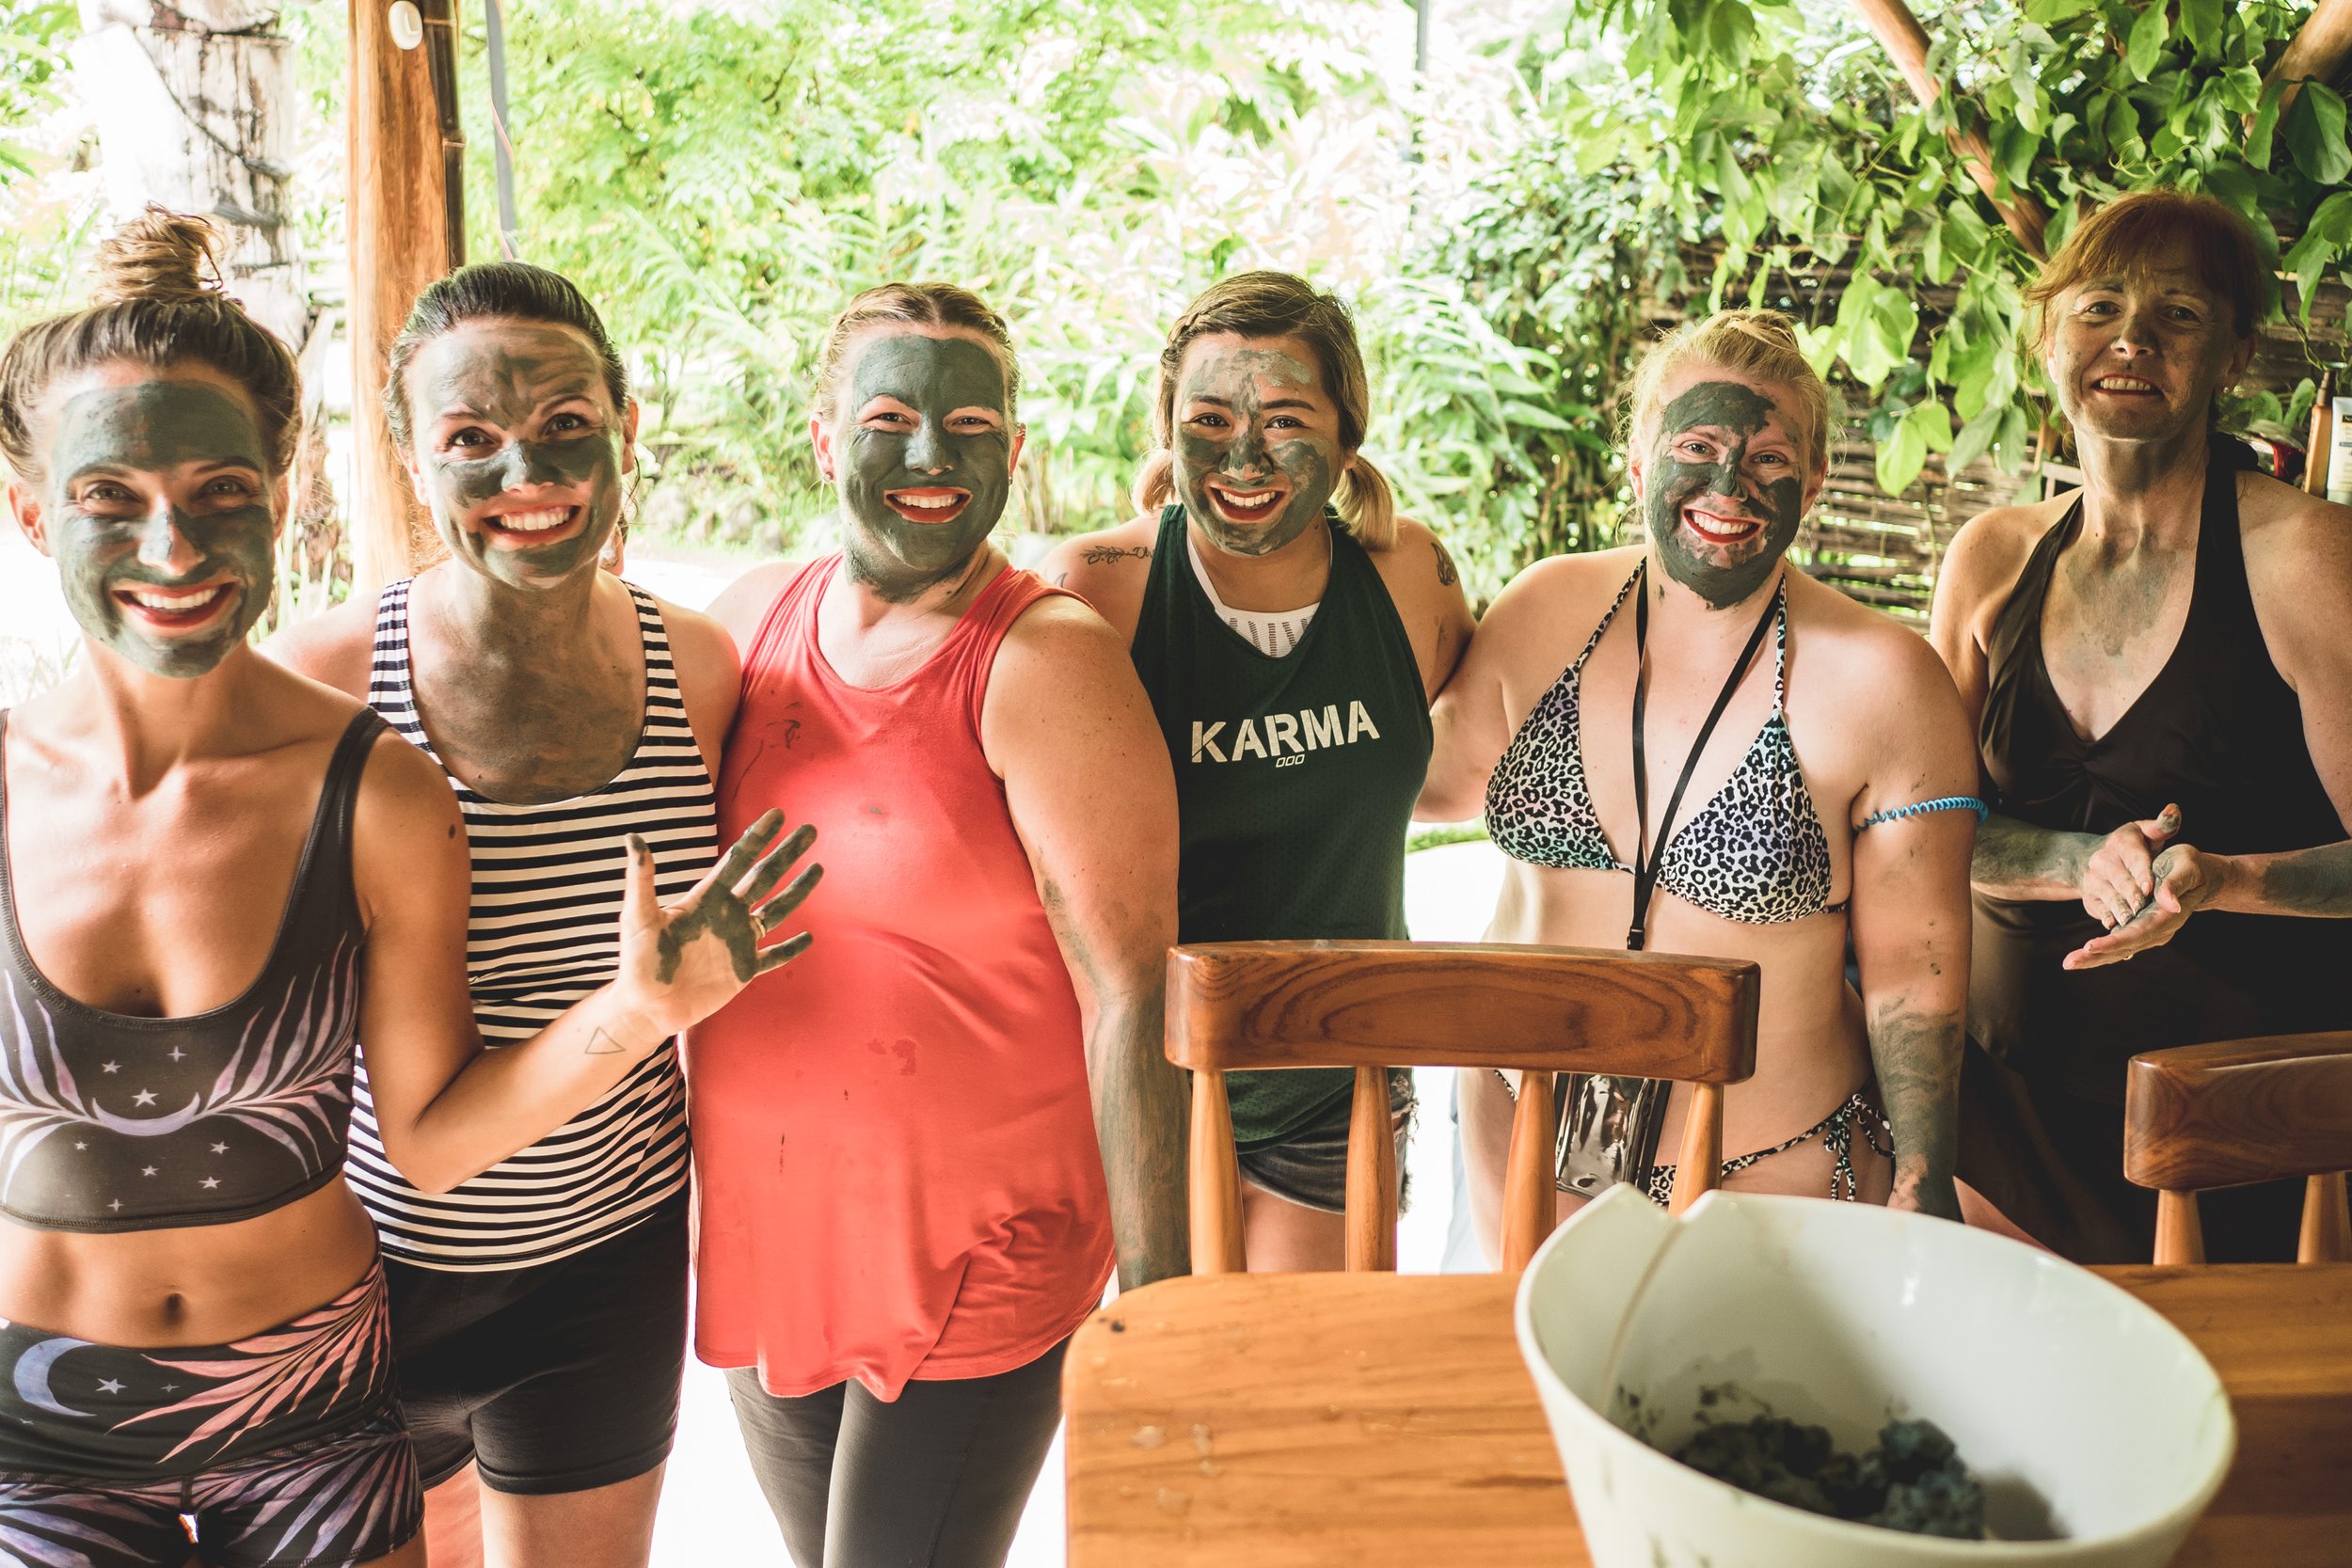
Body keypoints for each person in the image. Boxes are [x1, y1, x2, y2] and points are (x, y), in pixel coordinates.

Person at [0, 213, 814, 1568]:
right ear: (32, 510)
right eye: (109, 497)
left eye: (219, 491)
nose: (173, 545)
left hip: (431, 1332)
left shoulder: (396, 771)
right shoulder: (337, 685)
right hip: (151, 1366)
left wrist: (645, 1005)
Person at [268, 262, 768, 1568]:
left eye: (564, 424)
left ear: (626, 424)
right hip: (370, 1273)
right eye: (469, 439)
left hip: (609, 1266)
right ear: (406, 457)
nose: (525, 471)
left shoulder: (697, 668)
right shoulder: (322, 682)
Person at [691, 282, 1188, 1568]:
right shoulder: (749, 623)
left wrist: (1168, 1304)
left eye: (970, 422)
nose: (930, 454)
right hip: (777, 1226)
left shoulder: (1045, 658)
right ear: (822, 432)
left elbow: (1133, 990)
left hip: (982, 1249)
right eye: (892, 414)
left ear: (1014, 452)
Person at [1422, 309, 1979, 1252]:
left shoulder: (1884, 678)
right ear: (1639, 461)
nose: (1730, 483)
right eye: (1698, 444)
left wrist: (1923, 1174)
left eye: (1767, 456)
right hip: (1520, 1134)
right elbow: (1417, 783)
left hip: (1770, 1164)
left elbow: (1913, 975)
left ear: (1813, 480)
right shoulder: (1541, 611)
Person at [1929, 189, 2352, 1263]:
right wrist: (2080, 858)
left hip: (2236, 1133)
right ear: (2045, 337)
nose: (2130, 338)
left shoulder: (2304, 559)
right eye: (2098, 306)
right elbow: (1919, 827)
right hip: (2002, 1114)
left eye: (2178, 313)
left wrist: (2220, 879)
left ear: (2233, 354)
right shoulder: (1991, 559)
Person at [1041, 271, 1473, 1271]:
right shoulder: (1098, 590)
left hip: (1339, 1080)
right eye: (1208, 417)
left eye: (1285, 417)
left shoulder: (1409, 576)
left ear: (1346, 433)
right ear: (1167, 429)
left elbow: (1447, 749)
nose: (1244, 453)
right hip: (1142, 1078)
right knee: (1168, 1383)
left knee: (1299, 1391)